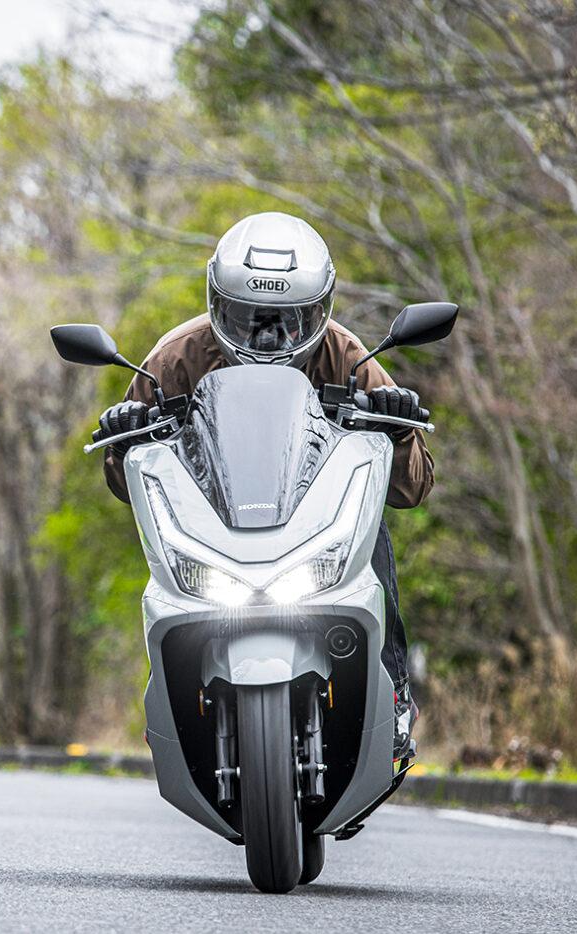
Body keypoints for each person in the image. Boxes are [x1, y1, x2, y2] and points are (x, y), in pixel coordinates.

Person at [98, 211, 433, 760]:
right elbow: (125, 483)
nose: (269, 336)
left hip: (315, 524)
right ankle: (170, 696)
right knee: (162, 559)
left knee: (373, 527)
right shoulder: (175, 358)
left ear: (320, 311)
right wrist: (123, 440)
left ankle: (394, 691)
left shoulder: (349, 357)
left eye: (290, 321)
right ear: (217, 304)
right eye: (248, 318)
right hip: (210, 526)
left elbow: (413, 489)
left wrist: (397, 430)